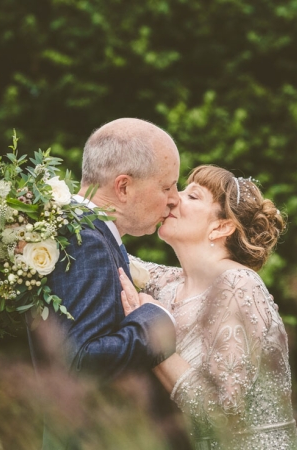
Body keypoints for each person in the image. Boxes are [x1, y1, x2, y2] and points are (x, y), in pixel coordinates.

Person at [120, 165, 297, 449]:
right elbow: (110, 256)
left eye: (192, 196)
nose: (173, 198)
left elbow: (224, 413)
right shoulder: (169, 284)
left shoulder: (239, 284)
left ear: (221, 226)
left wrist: (153, 339)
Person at [39, 118, 185, 448]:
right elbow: (81, 362)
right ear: (123, 187)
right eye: (166, 187)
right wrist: (157, 320)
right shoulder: (86, 240)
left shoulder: (79, 231)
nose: (175, 199)